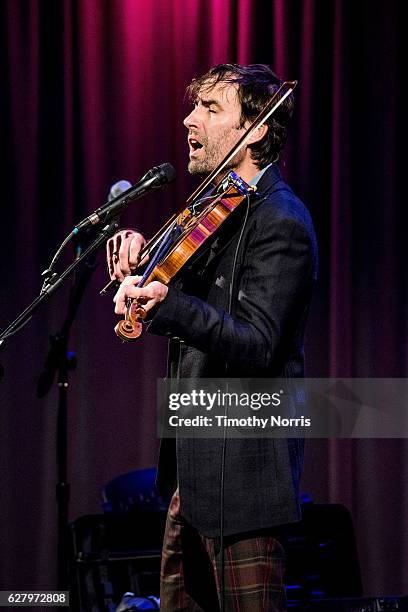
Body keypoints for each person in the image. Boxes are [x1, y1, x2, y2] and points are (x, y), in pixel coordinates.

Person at [108, 64, 318, 611]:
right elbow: (173, 284)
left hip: (245, 487)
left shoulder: (282, 220)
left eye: (210, 108)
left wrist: (168, 303)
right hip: (193, 483)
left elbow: (259, 343)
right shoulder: (215, 212)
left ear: (255, 130)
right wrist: (137, 248)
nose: (188, 119)